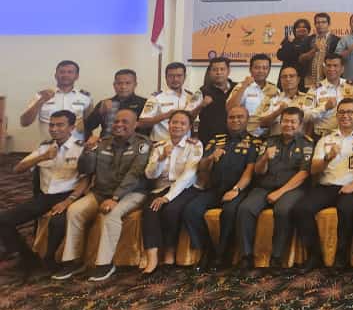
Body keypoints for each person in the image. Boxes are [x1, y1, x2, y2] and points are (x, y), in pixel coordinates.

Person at [52, 108, 150, 282]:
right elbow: (86, 169)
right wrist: (88, 151)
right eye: (116, 121)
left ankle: (104, 264)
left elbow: (134, 175)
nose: (119, 125)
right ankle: (72, 261)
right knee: (75, 210)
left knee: (111, 214)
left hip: (131, 193)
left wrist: (115, 198)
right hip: (100, 192)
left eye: (125, 122)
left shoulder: (142, 145)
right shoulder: (103, 142)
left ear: (136, 125)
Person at [0, 110, 87, 275]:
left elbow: (85, 180)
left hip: (68, 195)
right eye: (51, 125)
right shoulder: (45, 147)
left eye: (60, 125)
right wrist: (42, 157)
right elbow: (17, 168)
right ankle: (26, 256)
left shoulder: (80, 148)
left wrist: (68, 201)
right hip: (45, 197)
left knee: (57, 222)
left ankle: (50, 260)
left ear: (71, 127)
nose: (54, 129)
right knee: (3, 219)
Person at [295, 99, 353, 272]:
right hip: (326, 185)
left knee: (346, 210)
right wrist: (327, 158)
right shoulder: (326, 139)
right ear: (337, 115)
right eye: (341, 112)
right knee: (301, 209)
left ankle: (341, 257)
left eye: (350, 112)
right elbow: (314, 169)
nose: (345, 115)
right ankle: (314, 256)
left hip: (352, 186)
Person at [183, 105, 260, 271]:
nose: (235, 120)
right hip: (215, 188)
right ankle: (207, 250)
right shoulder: (216, 140)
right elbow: (201, 167)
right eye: (232, 117)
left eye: (240, 117)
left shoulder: (255, 142)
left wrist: (236, 190)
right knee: (191, 210)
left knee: (230, 211)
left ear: (247, 120)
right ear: (226, 120)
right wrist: (211, 157)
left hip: (240, 189)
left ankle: (223, 255)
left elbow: (250, 171)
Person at [236, 107, 312, 270]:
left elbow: (304, 173)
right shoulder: (269, 141)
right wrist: (264, 158)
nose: (288, 125)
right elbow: (258, 171)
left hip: (291, 188)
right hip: (265, 186)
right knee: (245, 208)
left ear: (300, 124)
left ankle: (277, 258)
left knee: (282, 211)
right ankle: (246, 256)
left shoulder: (306, 143)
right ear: (280, 122)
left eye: (293, 122)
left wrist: (280, 192)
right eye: (285, 121)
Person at [141, 110, 203, 274]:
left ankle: (170, 253)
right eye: (174, 122)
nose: (177, 126)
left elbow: (188, 175)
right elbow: (150, 174)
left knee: (171, 210)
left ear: (189, 127)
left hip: (186, 188)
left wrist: (167, 198)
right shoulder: (159, 146)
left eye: (183, 123)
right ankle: (152, 259)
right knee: (150, 210)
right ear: (168, 125)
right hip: (161, 187)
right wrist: (161, 159)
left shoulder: (194, 145)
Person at [20, 60, 91, 140]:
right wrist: (40, 101)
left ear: (77, 76)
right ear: (55, 75)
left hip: (76, 146)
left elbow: (89, 125)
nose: (65, 75)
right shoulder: (42, 95)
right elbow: (24, 122)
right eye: (62, 72)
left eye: (70, 72)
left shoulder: (85, 98)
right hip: (48, 145)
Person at [138, 62, 204, 142]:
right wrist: (166, 115)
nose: (175, 79)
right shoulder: (156, 97)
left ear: (185, 77)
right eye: (171, 76)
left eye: (179, 76)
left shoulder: (191, 97)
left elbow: (192, 122)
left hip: (185, 145)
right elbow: (142, 123)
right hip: (161, 143)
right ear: (166, 78)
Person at [84, 69, 146, 141]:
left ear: (135, 85)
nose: (123, 87)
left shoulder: (144, 103)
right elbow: (87, 127)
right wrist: (99, 113)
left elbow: (147, 129)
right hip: (106, 144)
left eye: (128, 83)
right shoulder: (104, 103)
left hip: (134, 144)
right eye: (119, 83)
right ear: (114, 85)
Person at [227, 54, 280, 137]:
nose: (261, 71)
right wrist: (244, 86)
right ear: (250, 69)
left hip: (269, 135)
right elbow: (230, 109)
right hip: (246, 136)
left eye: (265, 68)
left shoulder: (275, 89)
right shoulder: (241, 86)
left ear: (269, 70)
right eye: (257, 68)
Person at [256, 65, 314, 138]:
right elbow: (262, 124)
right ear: (280, 80)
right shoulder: (273, 99)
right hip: (276, 141)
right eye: (284, 77)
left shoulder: (308, 99)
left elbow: (311, 123)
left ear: (298, 79)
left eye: (291, 76)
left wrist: (306, 141)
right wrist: (278, 111)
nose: (288, 79)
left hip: (299, 141)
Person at [310, 55, 353, 137]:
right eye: (328, 65)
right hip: (323, 135)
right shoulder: (315, 89)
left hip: (347, 135)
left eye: (335, 66)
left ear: (342, 69)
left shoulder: (350, 86)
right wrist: (324, 108)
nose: (331, 69)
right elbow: (305, 116)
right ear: (324, 68)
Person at [195, 57, 236, 145]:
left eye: (222, 69)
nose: (219, 72)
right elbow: (189, 116)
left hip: (233, 140)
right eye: (215, 70)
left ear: (228, 71)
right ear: (210, 72)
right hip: (210, 141)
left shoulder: (237, 89)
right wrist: (201, 106)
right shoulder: (201, 91)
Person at [276, 18, 315, 89]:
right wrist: (290, 43)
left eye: (304, 27)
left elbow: (302, 56)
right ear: (294, 30)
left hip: (305, 79)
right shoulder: (288, 40)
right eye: (298, 27)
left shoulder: (312, 41)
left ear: (308, 30)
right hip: (288, 77)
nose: (301, 29)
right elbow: (280, 55)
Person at [307, 12, 341, 89]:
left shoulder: (337, 40)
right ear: (315, 24)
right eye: (318, 22)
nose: (320, 25)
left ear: (329, 24)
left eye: (323, 22)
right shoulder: (308, 39)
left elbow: (338, 62)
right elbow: (302, 59)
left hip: (329, 82)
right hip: (310, 82)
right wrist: (314, 50)